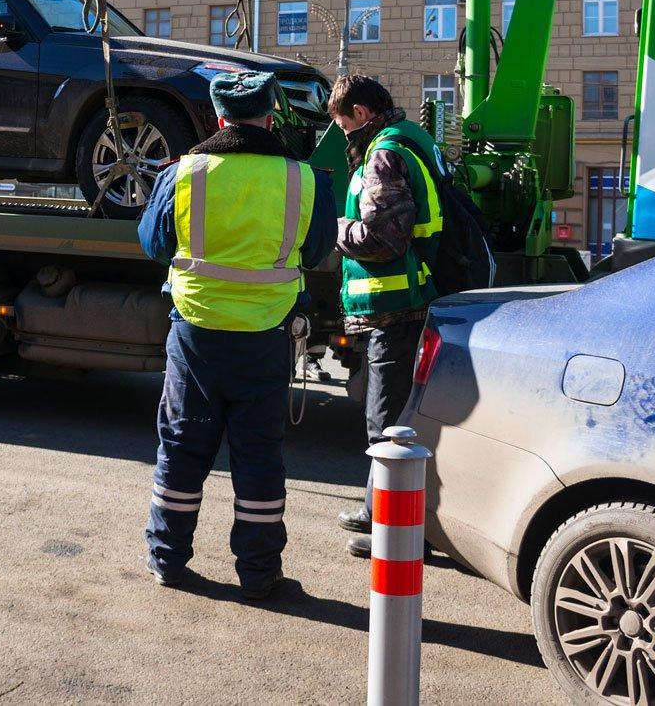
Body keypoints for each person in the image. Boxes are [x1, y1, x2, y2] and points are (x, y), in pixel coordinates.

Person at [138, 70, 336, 600]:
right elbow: (315, 252)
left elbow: (154, 244)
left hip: (196, 335)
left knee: (181, 448)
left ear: (218, 118)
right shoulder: (305, 179)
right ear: (270, 116)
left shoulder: (184, 174)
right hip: (266, 336)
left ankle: (167, 561)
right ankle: (259, 572)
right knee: (258, 454)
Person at [326, 75, 447, 560]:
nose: (341, 135)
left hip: (398, 305)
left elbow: (383, 239)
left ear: (358, 111)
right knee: (398, 416)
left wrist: (334, 226)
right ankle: (377, 505)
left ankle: (395, 534)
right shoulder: (415, 140)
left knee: (389, 424)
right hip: (414, 296)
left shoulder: (383, 155)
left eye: (341, 123)